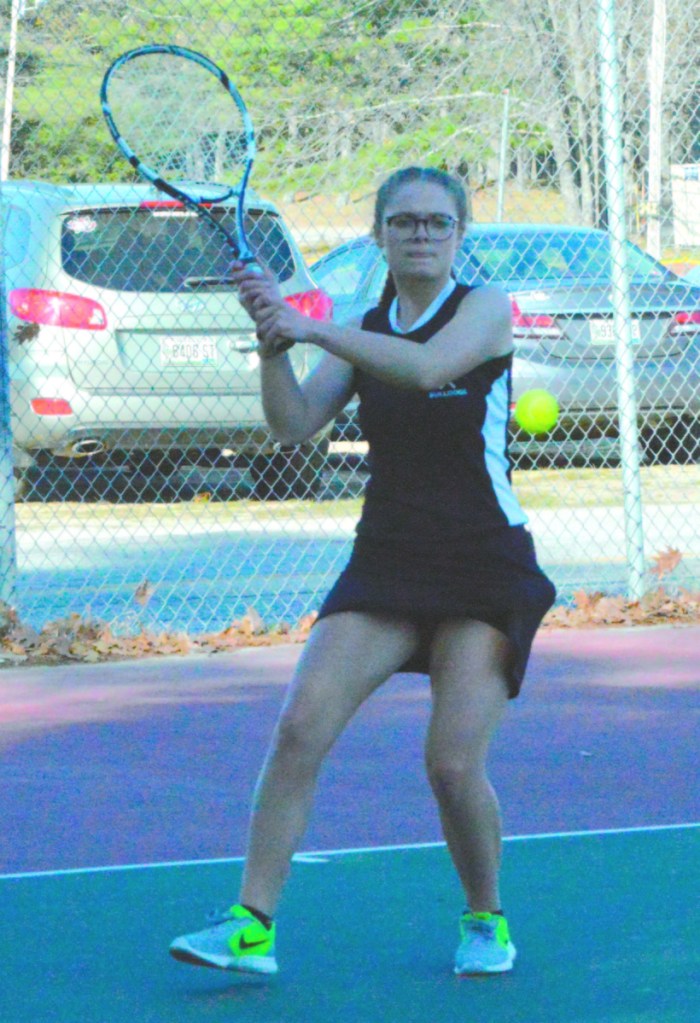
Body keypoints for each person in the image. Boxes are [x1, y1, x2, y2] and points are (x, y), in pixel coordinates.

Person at [169, 166, 556, 977]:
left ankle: (485, 918)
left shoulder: (484, 311)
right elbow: (294, 425)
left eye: (436, 222)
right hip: (388, 557)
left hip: (484, 560)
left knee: (451, 763)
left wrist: (307, 326)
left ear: (460, 236)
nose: (420, 233)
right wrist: (274, 345)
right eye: (404, 221)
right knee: (301, 724)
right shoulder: (358, 324)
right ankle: (253, 926)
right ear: (380, 233)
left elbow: (424, 368)